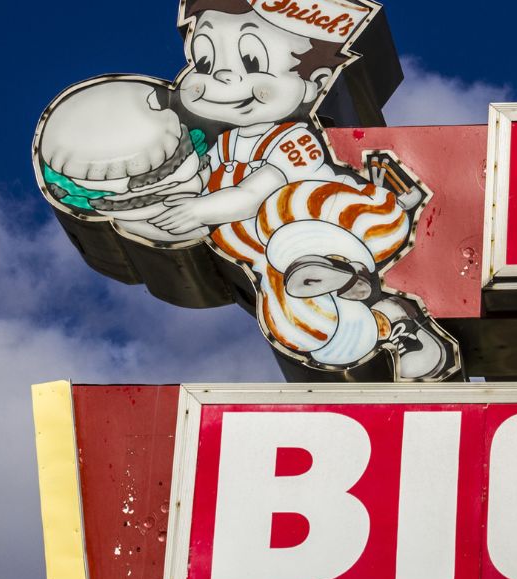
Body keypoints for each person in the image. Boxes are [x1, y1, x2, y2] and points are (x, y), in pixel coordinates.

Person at [148, 0, 458, 381]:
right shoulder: (221, 147)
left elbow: (255, 193)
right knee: (299, 328)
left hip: (352, 222)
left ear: (316, 83)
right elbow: (191, 190)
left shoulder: (294, 138)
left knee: (286, 211)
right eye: (207, 62)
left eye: (252, 61)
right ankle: (392, 325)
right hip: (276, 264)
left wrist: (199, 210)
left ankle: (341, 270)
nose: (223, 76)